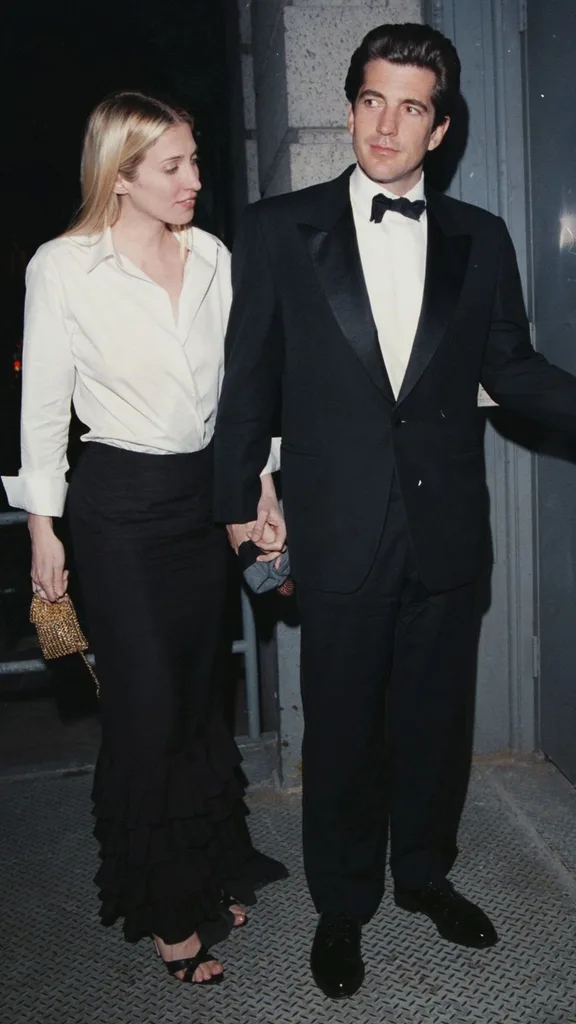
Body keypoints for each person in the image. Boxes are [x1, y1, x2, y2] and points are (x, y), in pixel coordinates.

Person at [213, 22, 576, 1000]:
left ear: (441, 127)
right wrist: (240, 506)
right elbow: (246, 380)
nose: (387, 123)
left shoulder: (482, 237)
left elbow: (515, 367)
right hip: (335, 529)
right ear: (349, 107)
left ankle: (423, 875)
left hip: (448, 529)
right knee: (340, 730)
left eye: (411, 106)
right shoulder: (277, 228)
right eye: (372, 99)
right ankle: (342, 907)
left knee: (432, 722)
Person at [1, 91, 287, 986]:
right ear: (119, 175)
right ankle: (169, 908)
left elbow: (247, 387)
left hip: (206, 495)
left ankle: (212, 861)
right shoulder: (64, 267)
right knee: (149, 707)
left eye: (197, 161)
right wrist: (43, 528)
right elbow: (42, 403)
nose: (195, 181)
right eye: (173, 166)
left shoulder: (212, 256)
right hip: (118, 507)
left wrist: (261, 485)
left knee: (201, 699)